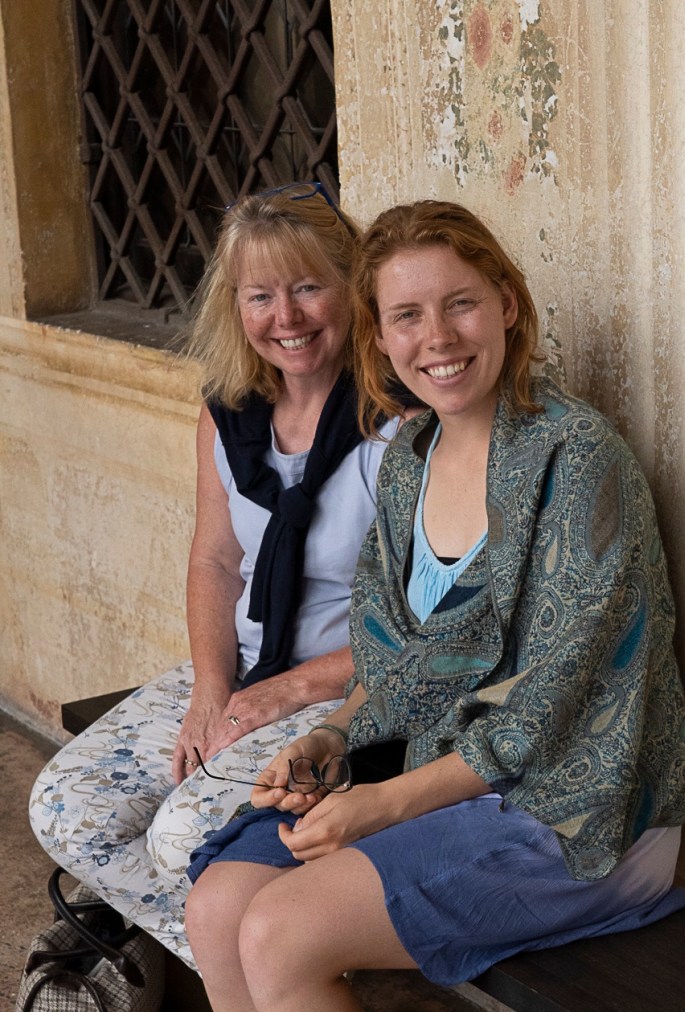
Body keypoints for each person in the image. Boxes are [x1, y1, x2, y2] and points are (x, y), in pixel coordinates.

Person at [184, 199, 685, 1012]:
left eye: (459, 303)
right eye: (406, 315)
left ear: (506, 302)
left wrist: (379, 802)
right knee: (220, 908)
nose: (438, 338)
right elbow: (393, 658)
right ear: (379, 335)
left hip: (576, 810)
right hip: (438, 772)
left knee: (281, 929)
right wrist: (333, 742)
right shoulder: (412, 455)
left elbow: (547, 709)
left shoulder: (577, 459)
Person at [28, 183, 403, 967]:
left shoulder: (395, 423)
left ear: (353, 286)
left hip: (351, 690)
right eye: (260, 295)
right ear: (235, 305)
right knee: (67, 811)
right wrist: (210, 688)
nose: (286, 318)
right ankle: (254, 973)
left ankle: (277, 973)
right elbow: (214, 559)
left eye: (308, 287)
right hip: (244, 670)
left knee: (181, 833)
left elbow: (425, 623)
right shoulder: (230, 411)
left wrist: (287, 692)